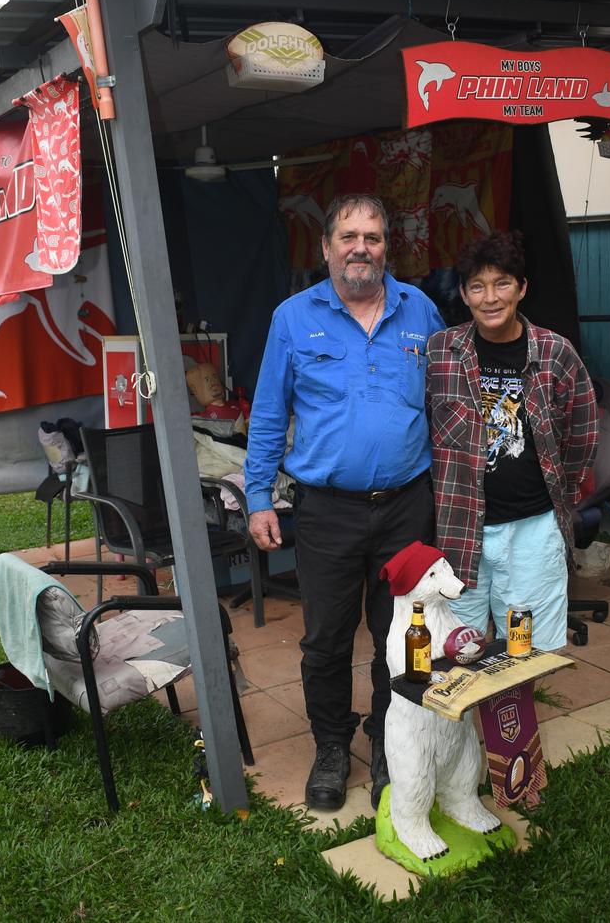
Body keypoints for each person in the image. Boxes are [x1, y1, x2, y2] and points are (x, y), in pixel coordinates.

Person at [245, 193, 445, 811]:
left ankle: (390, 741)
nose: (362, 247)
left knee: (401, 636)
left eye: (375, 237)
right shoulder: (292, 317)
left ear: (388, 246)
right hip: (327, 510)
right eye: (350, 236)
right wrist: (258, 497)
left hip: (408, 505)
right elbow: (270, 413)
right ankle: (331, 746)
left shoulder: (422, 311)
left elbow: (446, 407)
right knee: (327, 638)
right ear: (327, 247)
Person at [426, 230, 598, 651]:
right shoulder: (440, 353)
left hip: (533, 531)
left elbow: (583, 432)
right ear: (464, 295)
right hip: (461, 530)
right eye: (477, 286)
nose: (490, 298)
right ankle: (469, 720)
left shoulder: (556, 353)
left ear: (522, 288)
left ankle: (514, 719)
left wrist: (563, 493)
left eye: (502, 283)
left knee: (526, 649)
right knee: (456, 649)